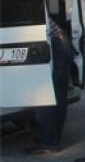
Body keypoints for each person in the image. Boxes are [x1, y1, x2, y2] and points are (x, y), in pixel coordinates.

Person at [26, 18, 72, 154]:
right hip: (60, 43)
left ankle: (49, 142)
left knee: (46, 95)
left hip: (56, 46)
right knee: (56, 95)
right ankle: (51, 138)